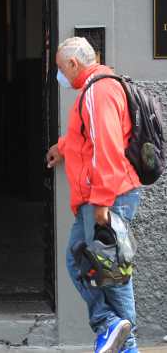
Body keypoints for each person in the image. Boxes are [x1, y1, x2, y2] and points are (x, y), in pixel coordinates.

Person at [46, 37, 141, 353]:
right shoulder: (96, 89)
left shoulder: (97, 91)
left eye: (60, 68)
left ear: (73, 64)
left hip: (105, 197)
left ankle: (126, 344)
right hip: (99, 196)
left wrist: (101, 202)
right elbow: (86, 137)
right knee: (80, 261)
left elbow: (107, 148)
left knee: (112, 274)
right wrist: (62, 148)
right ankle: (111, 326)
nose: (60, 76)